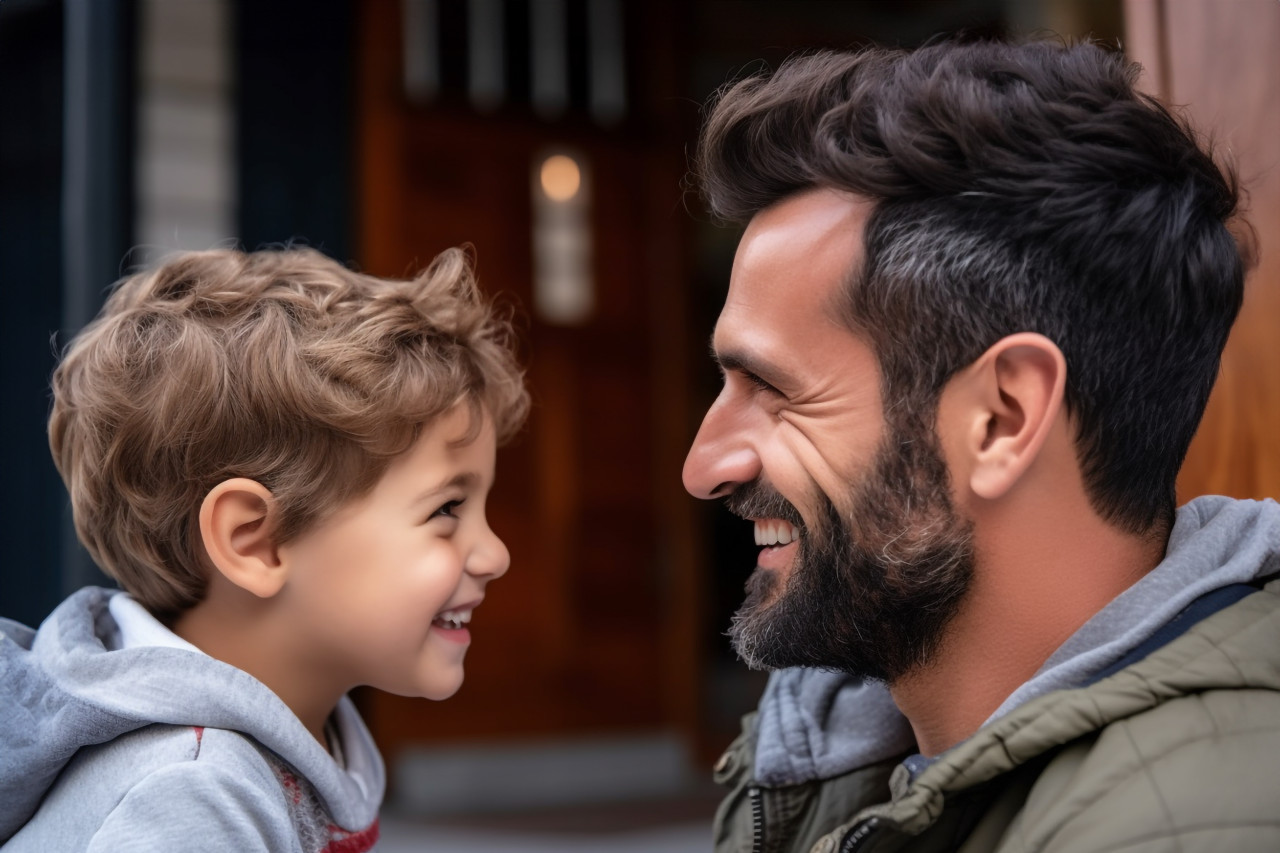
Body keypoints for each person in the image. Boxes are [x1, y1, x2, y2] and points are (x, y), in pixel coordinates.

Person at [683, 38, 1280, 853]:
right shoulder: (837, 746)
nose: (703, 466)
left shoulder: (1180, 825)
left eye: (776, 391)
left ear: (1002, 416)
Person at [0, 246, 528, 851]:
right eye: (447, 510)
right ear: (256, 542)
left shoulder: (291, 738)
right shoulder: (195, 796)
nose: (494, 555)